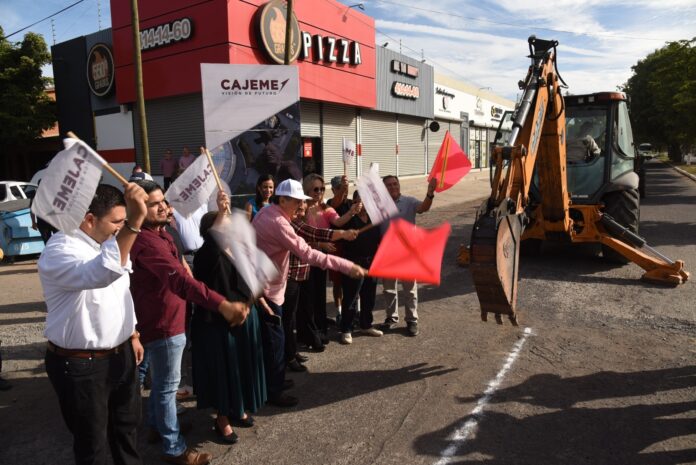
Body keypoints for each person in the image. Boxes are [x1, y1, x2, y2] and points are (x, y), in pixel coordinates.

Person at [129, 180, 249, 465]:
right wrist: (221, 303)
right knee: (166, 387)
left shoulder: (163, 233)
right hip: (162, 324)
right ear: (136, 208)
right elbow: (180, 280)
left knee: (162, 385)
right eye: (153, 203)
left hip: (172, 319)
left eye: (163, 201)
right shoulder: (145, 241)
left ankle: (159, 428)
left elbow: (185, 269)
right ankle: (174, 449)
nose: (163, 206)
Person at [39, 183, 148, 465]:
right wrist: (134, 223)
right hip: (81, 365)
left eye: (124, 221)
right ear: (89, 219)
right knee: (93, 445)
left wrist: (133, 333)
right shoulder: (61, 249)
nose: (120, 228)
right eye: (116, 222)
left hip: (121, 355)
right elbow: (101, 274)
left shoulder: (108, 243)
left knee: (127, 432)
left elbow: (122, 290)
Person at [252, 179, 366, 407]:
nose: (299, 206)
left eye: (300, 201)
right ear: (282, 199)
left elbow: (310, 231)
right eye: (295, 201)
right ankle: (273, 392)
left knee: (276, 339)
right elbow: (309, 254)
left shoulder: (270, 213)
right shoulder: (278, 222)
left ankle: (275, 381)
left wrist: (341, 234)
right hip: (267, 289)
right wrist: (346, 266)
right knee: (275, 342)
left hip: (268, 286)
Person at [191, 197, 267, 444]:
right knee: (222, 372)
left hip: (244, 318)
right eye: (222, 224)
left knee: (241, 367)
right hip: (217, 324)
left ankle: (238, 408)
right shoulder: (206, 254)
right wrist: (222, 210)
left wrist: (248, 305)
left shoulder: (237, 250)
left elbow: (251, 280)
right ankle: (221, 418)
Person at [284, 200, 358, 369]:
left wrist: (342, 233)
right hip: (290, 278)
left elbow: (318, 232)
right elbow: (314, 234)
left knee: (299, 313)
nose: (301, 206)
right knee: (289, 320)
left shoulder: (298, 221)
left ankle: (292, 351)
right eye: (298, 203)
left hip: (301, 275)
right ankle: (289, 358)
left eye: (303, 203)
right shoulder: (292, 223)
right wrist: (342, 235)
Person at [303, 174, 361, 343]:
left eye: (322, 189)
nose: (319, 192)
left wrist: (351, 212)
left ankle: (320, 329)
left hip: (320, 260)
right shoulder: (301, 208)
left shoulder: (326, 209)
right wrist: (320, 244)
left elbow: (338, 222)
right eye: (315, 189)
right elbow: (300, 234)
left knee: (320, 294)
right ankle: (309, 331)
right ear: (307, 190)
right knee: (307, 297)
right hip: (304, 258)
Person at [379, 175, 437, 337]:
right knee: (389, 289)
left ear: (399, 185)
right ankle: (391, 317)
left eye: (395, 184)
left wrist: (430, 193)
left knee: (410, 290)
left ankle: (412, 320)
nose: (393, 187)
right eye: (389, 185)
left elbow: (424, 207)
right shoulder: (379, 205)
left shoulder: (409, 202)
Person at [339, 191, 384, 344]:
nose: (363, 203)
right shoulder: (349, 218)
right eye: (360, 199)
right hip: (353, 262)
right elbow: (338, 226)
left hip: (372, 262)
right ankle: (346, 329)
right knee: (351, 296)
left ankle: (366, 324)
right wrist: (351, 213)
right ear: (354, 201)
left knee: (369, 295)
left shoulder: (373, 217)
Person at [325, 175, 352, 324]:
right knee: (337, 283)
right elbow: (336, 203)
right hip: (336, 248)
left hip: (351, 248)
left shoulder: (352, 203)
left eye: (345, 188)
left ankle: (355, 310)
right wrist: (343, 189)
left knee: (353, 281)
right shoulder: (329, 204)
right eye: (339, 188)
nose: (344, 191)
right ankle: (339, 312)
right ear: (334, 190)